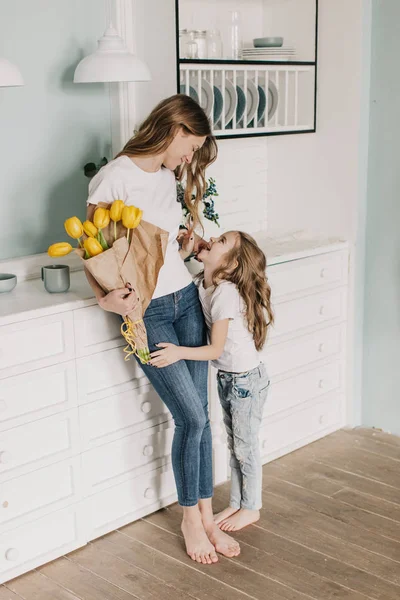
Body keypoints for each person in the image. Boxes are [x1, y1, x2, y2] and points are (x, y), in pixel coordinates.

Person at [84, 94, 240, 565]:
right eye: (189, 146)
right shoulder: (114, 177)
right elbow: (93, 248)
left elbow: (157, 244)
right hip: (148, 312)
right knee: (190, 418)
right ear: (172, 130)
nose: (189, 157)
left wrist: (185, 243)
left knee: (203, 417)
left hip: (187, 301)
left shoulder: (167, 177)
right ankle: (191, 519)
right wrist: (105, 299)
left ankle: (208, 516)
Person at [150, 231, 274, 531]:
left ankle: (251, 507)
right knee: (234, 444)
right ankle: (236, 503)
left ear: (230, 264)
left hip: (246, 382)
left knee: (245, 447)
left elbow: (215, 349)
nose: (212, 239)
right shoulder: (204, 283)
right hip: (230, 378)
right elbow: (173, 276)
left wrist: (178, 352)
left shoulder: (226, 294)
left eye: (221, 242)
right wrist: (186, 252)